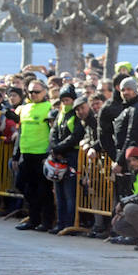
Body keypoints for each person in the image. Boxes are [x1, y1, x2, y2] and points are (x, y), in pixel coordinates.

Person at [15, 80, 56, 231]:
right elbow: (20, 133)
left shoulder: (49, 108)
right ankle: (33, 219)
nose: (33, 95)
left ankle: (46, 222)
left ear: (45, 92)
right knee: (26, 188)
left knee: (44, 191)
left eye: (37, 92)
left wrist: (49, 153)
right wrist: (16, 155)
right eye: (31, 92)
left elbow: (53, 132)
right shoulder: (25, 108)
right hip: (26, 154)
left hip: (41, 154)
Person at [47, 84, 84, 234]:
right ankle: (60, 222)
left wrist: (58, 148)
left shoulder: (75, 116)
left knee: (70, 193)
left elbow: (75, 136)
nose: (65, 103)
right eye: (63, 100)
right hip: (59, 156)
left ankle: (69, 222)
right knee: (59, 192)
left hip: (72, 156)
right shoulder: (60, 114)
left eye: (68, 100)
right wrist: (55, 149)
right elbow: (53, 132)